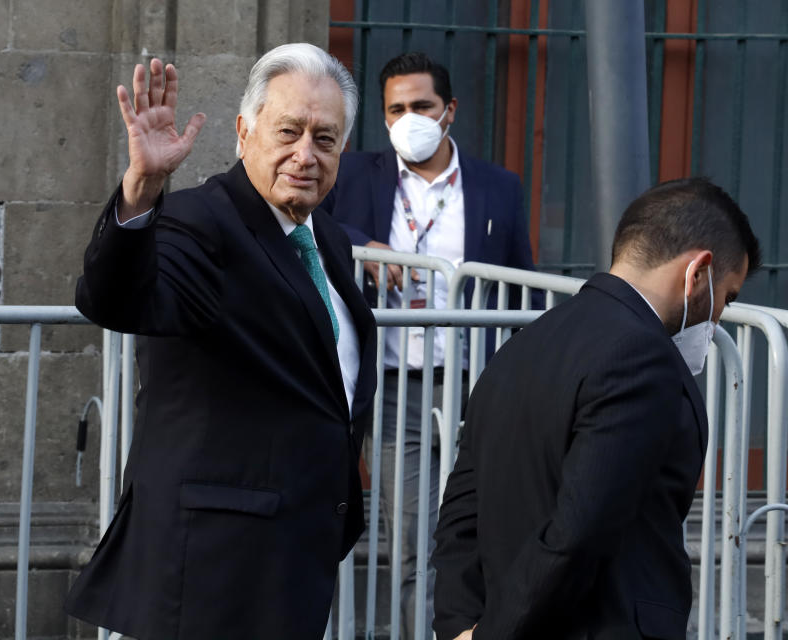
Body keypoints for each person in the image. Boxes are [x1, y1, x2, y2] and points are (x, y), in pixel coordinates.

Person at [63, 43, 377, 639]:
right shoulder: (198, 220)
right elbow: (115, 299)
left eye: (325, 139)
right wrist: (142, 191)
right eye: (288, 131)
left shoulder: (327, 239)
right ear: (244, 130)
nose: (304, 154)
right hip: (212, 569)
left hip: (293, 557)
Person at [432, 177, 761, 640]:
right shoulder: (643, 357)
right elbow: (581, 529)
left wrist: (460, 626)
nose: (719, 317)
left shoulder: (523, 344)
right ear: (698, 272)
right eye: (726, 296)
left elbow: (461, 513)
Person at [322, 51, 540, 639]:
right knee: (418, 541)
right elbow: (309, 221)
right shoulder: (354, 175)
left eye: (421, 106)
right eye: (396, 109)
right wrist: (364, 244)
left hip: (481, 388)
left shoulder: (498, 187)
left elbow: (522, 279)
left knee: (492, 530)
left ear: (449, 112)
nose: (408, 119)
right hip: (398, 392)